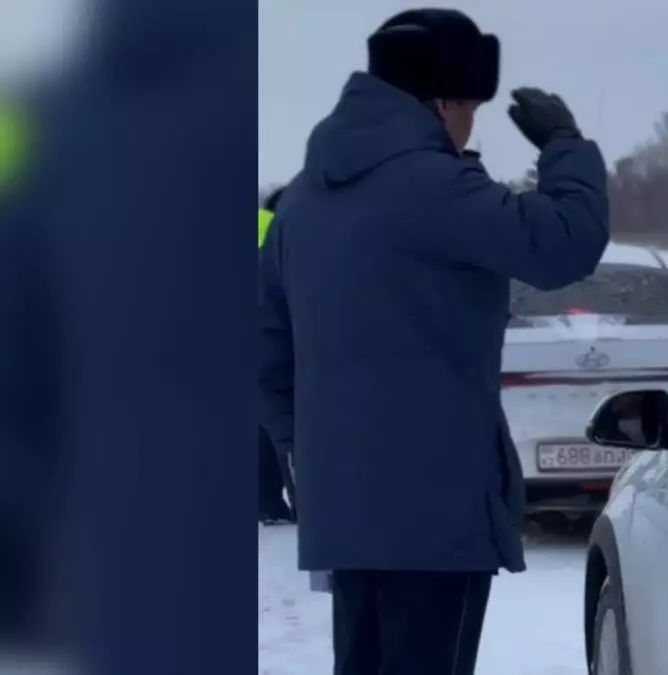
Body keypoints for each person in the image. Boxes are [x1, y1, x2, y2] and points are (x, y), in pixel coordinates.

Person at [258, 8, 609, 675]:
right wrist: (564, 145)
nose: (470, 124)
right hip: (436, 510)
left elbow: (263, 349)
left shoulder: (301, 202)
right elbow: (565, 242)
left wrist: (301, 445)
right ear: (443, 100)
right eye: (471, 107)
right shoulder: (436, 189)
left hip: (345, 513)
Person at [257, 188, 295, 525]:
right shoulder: (281, 232)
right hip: (271, 334)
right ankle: (296, 502)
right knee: (281, 425)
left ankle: (267, 502)